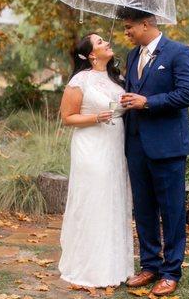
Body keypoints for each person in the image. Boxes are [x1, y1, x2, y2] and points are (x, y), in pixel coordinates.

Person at [119, 6, 189, 296]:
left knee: (172, 211)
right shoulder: (132, 56)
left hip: (167, 147)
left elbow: (188, 94)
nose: (126, 32)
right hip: (136, 145)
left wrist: (147, 102)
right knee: (143, 209)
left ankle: (171, 271)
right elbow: (132, 93)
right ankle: (150, 266)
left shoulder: (179, 52)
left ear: (145, 23)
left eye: (129, 27)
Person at [58, 33, 134, 288]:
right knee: (94, 202)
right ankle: (89, 269)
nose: (106, 43)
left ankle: (114, 267)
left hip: (115, 146)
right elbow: (67, 117)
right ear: (91, 54)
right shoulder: (80, 80)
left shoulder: (118, 78)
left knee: (113, 201)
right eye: (100, 42)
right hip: (91, 148)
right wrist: (95, 118)